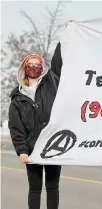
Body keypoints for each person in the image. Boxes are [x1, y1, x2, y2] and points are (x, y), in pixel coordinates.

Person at [8, 42, 63, 209]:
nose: (34, 68)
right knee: (35, 189)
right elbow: (16, 128)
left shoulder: (50, 83)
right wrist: (22, 151)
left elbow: (58, 63)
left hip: (53, 145)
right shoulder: (17, 98)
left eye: (37, 65)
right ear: (24, 68)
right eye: (30, 65)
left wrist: (65, 35)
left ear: (42, 67)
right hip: (32, 150)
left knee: (53, 187)